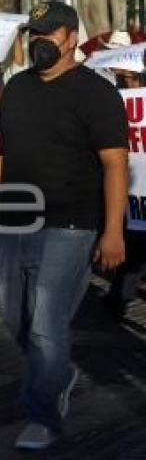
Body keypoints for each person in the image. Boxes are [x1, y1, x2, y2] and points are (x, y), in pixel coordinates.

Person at [0, 0, 128, 450]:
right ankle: (57, 372)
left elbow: (115, 165)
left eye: (47, 34)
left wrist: (113, 231)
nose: (38, 41)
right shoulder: (21, 88)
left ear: (70, 38)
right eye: (34, 34)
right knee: (14, 313)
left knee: (46, 323)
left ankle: (42, 414)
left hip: (70, 225)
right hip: (11, 222)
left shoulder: (96, 93)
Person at [104, 64, 146, 319]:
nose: (123, 82)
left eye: (127, 78)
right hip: (133, 190)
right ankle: (117, 298)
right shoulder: (120, 103)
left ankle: (118, 298)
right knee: (134, 248)